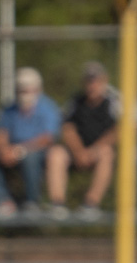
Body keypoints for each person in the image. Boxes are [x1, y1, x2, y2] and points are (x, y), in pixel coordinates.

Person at [0, 67, 62, 214]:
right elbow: (0, 133)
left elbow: (47, 138)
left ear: (37, 89)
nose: (24, 94)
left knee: (31, 158)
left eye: (28, 90)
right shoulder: (10, 109)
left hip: (35, 152)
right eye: (21, 90)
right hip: (11, 150)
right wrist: (3, 150)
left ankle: (32, 202)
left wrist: (20, 150)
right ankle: (2, 200)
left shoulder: (48, 107)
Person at [46, 61, 121, 220]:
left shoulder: (114, 100)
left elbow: (121, 129)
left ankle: (90, 204)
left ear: (104, 81)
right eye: (89, 81)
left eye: (96, 81)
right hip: (78, 151)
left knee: (106, 153)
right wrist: (79, 152)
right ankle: (57, 205)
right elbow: (67, 128)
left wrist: (94, 150)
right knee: (56, 153)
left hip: (100, 150)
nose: (92, 85)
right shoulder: (75, 101)